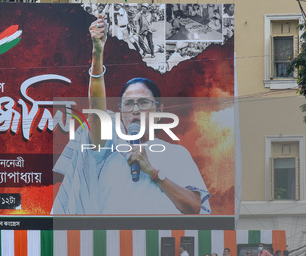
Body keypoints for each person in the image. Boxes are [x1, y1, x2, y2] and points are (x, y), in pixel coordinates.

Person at [53, 15, 210, 215]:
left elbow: (194, 207)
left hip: (159, 244)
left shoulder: (177, 155)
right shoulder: (106, 152)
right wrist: (97, 53)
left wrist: (152, 172)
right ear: (121, 112)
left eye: (143, 102)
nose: (135, 109)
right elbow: (97, 111)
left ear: (158, 110)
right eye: (128, 104)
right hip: (109, 244)